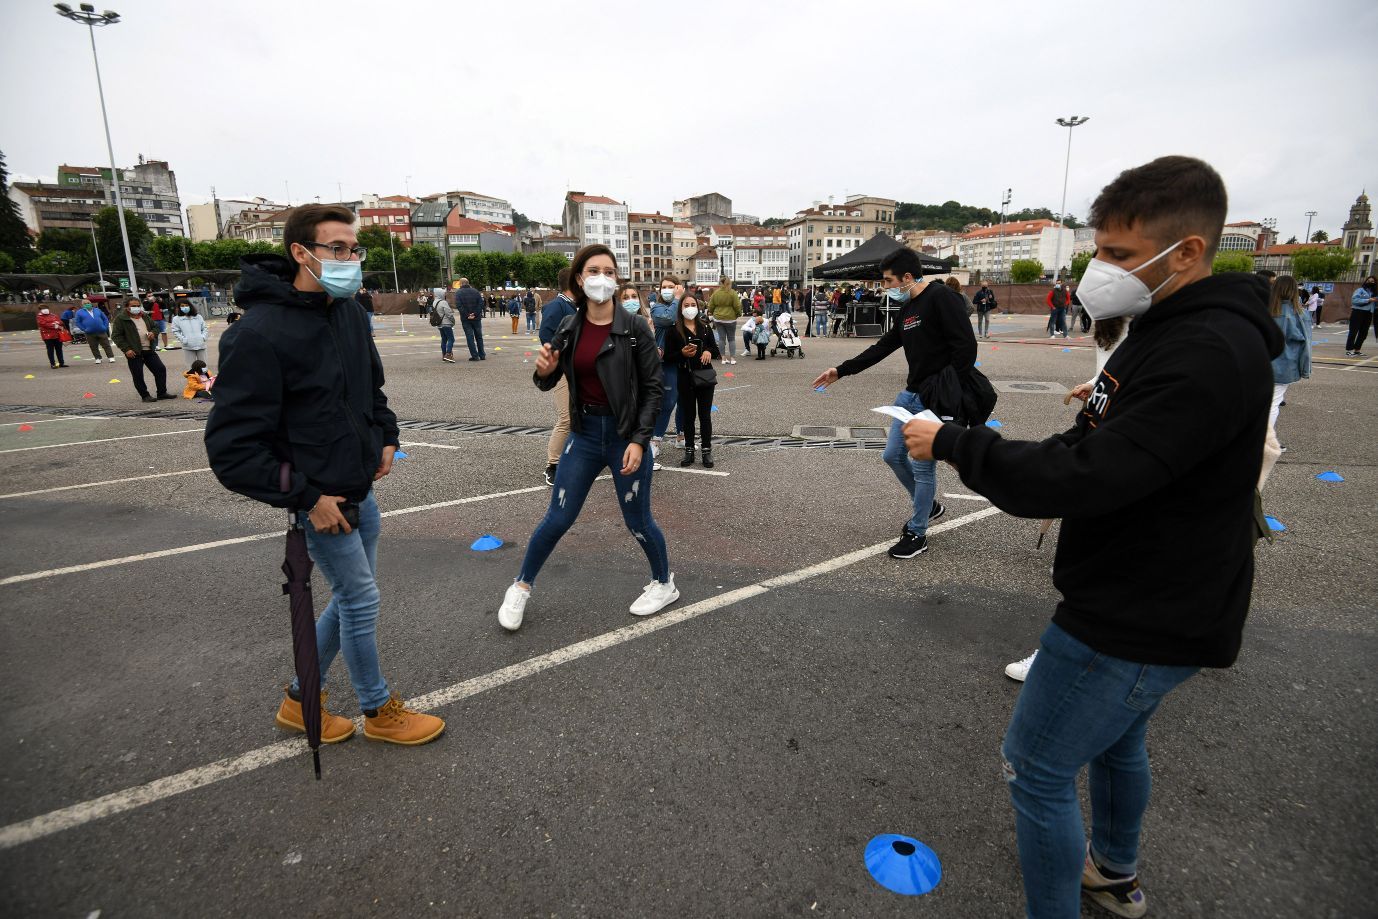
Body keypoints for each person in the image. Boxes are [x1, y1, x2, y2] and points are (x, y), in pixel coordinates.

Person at [900, 155, 1282, 919]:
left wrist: (951, 444)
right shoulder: (1167, 330)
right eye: (1097, 249)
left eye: (1116, 253)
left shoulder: (1205, 350)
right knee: (1115, 743)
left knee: (1035, 767)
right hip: (1162, 595)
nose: (1097, 269)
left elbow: (1084, 475)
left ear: (1188, 254)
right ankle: (1112, 869)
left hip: (1136, 609)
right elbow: (1097, 439)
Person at [205, 203, 444, 746]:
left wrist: (387, 436)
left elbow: (370, 390)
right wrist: (307, 498)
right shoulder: (259, 333)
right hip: (320, 500)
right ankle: (377, 709)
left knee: (351, 597)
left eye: (353, 249)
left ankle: (299, 698)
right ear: (300, 252)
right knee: (360, 599)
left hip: (360, 487)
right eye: (337, 249)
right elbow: (232, 449)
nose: (349, 259)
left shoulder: (350, 314)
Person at [498, 244, 675, 631]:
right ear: (580, 278)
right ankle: (521, 586)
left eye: (610, 272)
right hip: (584, 435)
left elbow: (654, 389)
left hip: (625, 435)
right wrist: (544, 370)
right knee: (557, 517)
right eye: (594, 271)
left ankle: (664, 583)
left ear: (617, 279)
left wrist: (639, 440)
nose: (602, 278)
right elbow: (546, 381)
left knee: (638, 520)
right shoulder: (570, 326)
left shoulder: (634, 328)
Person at [811, 246, 972, 559]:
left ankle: (917, 532)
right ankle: (930, 506)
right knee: (892, 455)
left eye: (887, 281)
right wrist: (841, 371)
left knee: (924, 470)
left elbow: (965, 350)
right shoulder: (908, 308)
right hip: (910, 396)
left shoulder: (942, 299)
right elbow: (883, 347)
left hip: (935, 399)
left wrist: (947, 395)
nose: (885, 288)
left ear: (907, 277)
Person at [663, 293, 719, 467]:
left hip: (705, 377)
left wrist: (709, 351)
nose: (689, 308)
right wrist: (682, 353)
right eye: (686, 305)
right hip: (685, 377)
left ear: (698, 306)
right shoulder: (673, 330)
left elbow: (715, 350)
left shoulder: (705, 327)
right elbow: (668, 357)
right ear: (681, 308)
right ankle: (689, 450)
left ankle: (706, 451)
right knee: (688, 416)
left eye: (692, 304)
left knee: (705, 416)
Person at [539, 269, 579, 485]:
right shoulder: (557, 306)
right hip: (564, 370)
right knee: (566, 418)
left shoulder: (576, 306)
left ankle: (573, 458)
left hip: (580, 369)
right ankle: (552, 465)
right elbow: (546, 336)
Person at [1268, 275, 1311, 451]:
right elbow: (1305, 344)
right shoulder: (1299, 314)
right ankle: (1266, 441)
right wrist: (1305, 369)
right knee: (1273, 404)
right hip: (1285, 365)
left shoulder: (1263, 310)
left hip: (1259, 363)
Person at [650, 275, 686, 467]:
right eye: (664, 287)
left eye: (671, 286)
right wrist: (678, 300)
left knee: (684, 400)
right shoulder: (657, 307)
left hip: (684, 359)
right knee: (668, 401)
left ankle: (681, 437)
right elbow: (668, 319)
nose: (667, 290)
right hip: (666, 361)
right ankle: (655, 441)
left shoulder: (685, 306)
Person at [111, 298, 174, 402]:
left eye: (137, 305)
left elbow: (155, 327)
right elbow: (116, 336)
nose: (136, 308)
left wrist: (153, 333)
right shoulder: (121, 319)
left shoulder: (144, 316)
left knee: (160, 369)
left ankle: (162, 393)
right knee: (138, 375)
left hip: (148, 349)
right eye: (133, 306)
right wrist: (126, 349)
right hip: (134, 351)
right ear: (127, 307)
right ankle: (145, 396)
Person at [708, 276, 741, 364]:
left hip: (718, 318)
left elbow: (710, 306)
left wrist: (713, 312)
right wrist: (738, 314)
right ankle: (732, 358)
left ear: (720, 283)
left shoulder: (716, 293)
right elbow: (737, 306)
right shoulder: (732, 293)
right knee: (731, 339)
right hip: (730, 318)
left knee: (722, 339)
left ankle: (723, 358)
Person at [74, 298, 115, 363]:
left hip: (101, 330)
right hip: (89, 332)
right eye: (85, 304)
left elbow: (105, 319)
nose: (87, 304)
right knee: (93, 346)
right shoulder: (79, 312)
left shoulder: (97, 310)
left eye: (88, 303)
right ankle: (98, 358)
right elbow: (78, 322)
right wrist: (84, 329)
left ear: (90, 303)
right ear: (82, 305)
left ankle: (111, 357)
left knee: (106, 345)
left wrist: (105, 327)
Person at [170, 302, 210, 369]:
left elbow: (204, 328)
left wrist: (203, 337)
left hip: (200, 344)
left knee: (204, 366)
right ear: (179, 308)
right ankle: (192, 379)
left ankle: (204, 379)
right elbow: (176, 331)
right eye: (182, 306)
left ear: (190, 306)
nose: (184, 307)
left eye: (186, 305)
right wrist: (183, 340)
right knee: (190, 367)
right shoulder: (176, 319)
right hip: (188, 346)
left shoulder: (198, 317)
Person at [455, 277, 486, 361]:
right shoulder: (476, 291)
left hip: (466, 319)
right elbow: (481, 304)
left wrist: (467, 314)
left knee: (470, 337)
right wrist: (475, 314)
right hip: (476, 318)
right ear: (468, 283)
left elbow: (459, 306)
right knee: (479, 336)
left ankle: (475, 356)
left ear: (461, 284)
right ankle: (482, 355)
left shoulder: (458, 293)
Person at [1344, 275, 1375, 356]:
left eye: (1373, 282)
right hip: (1358, 312)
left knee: (1364, 333)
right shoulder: (1360, 290)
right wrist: (1368, 300)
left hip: (1369, 313)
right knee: (1353, 331)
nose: (1370, 283)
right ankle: (1349, 350)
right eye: (1369, 281)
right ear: (1365, 281)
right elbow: (1354, 300)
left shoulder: (1374, 293)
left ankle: (1357, 350)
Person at [434, 290, 456, 362]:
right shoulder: (443, 302)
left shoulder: (435, 302)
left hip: (439, 324)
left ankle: (444, 355)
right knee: (451, 339)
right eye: (444, 293)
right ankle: (448, 354)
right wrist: (453, 321)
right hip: (446, 323)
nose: (445, 294)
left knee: (444, 339)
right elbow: (449, 313)